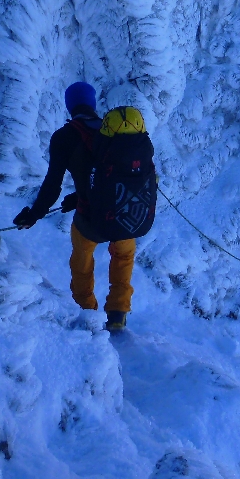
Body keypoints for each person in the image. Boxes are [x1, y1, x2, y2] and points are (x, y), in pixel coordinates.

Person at [14, 82, 156, 332]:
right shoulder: (113, 131)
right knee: (123, 257)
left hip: (89, 220)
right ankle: (117, 313)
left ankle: (87, 312)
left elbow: (53, 184)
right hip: (124, 217)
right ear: (92, 103)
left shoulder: (63, 137)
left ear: (70, 106)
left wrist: (34, 215)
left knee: (82, 261)